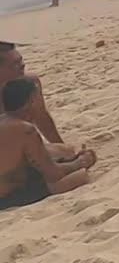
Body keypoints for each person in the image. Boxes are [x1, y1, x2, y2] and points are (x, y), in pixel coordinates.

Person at [0, 79, 96, 210]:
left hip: (12, 181)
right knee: (80, 176)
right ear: (32, 101)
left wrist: (70, 161)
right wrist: (80, 163)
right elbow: (53, 174)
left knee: (64, 152)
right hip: (9, 196)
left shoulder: (6, 122)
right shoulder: (25, 130)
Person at [0, 41, 63, 143]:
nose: (22, 66)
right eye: (14, 64)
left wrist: (61, 146)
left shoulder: (30, 84)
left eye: (21, 61)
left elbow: (42, 119)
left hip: (21, 146)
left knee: (67, 152)